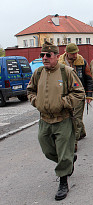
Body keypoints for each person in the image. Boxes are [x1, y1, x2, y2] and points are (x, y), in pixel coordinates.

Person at [27, 41, 85, 201]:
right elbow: (30, 90)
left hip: (63, 120)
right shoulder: (38, 73)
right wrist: (35, 101)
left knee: (64, 152)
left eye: (48, 55)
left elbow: (79, 92)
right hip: (44, 120)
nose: (44, 58)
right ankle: (68, 161)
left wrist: (63, 103)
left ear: (56, 56)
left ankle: (63, 181)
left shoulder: (66, 72)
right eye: (42, 55)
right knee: (47, 150)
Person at [59, 43, 93, 152]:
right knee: (69, 118)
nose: (75, 55)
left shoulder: (82, 62)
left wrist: (89, 95)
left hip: (79, 94)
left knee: (76, 119)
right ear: (67, 53)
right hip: (66, 96)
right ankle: (81, 132)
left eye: (76, 53)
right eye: (73, 54)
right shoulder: (60, 64)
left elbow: (89, 78)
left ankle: (73, 143)